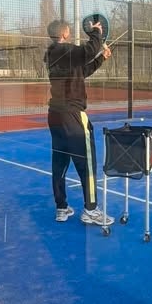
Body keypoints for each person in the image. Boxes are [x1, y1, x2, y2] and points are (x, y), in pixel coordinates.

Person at [45, 18, 114, 225]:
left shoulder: (57, 55)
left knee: (60, 163)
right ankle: (91, 210)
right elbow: (87, 51)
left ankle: (62, 207)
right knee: (87, 164)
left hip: (56, 116)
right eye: (69, 31)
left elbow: (81, 71)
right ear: (64, 33)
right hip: (72, 116)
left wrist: (102, 58)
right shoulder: (61, 50)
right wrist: (96, 32)